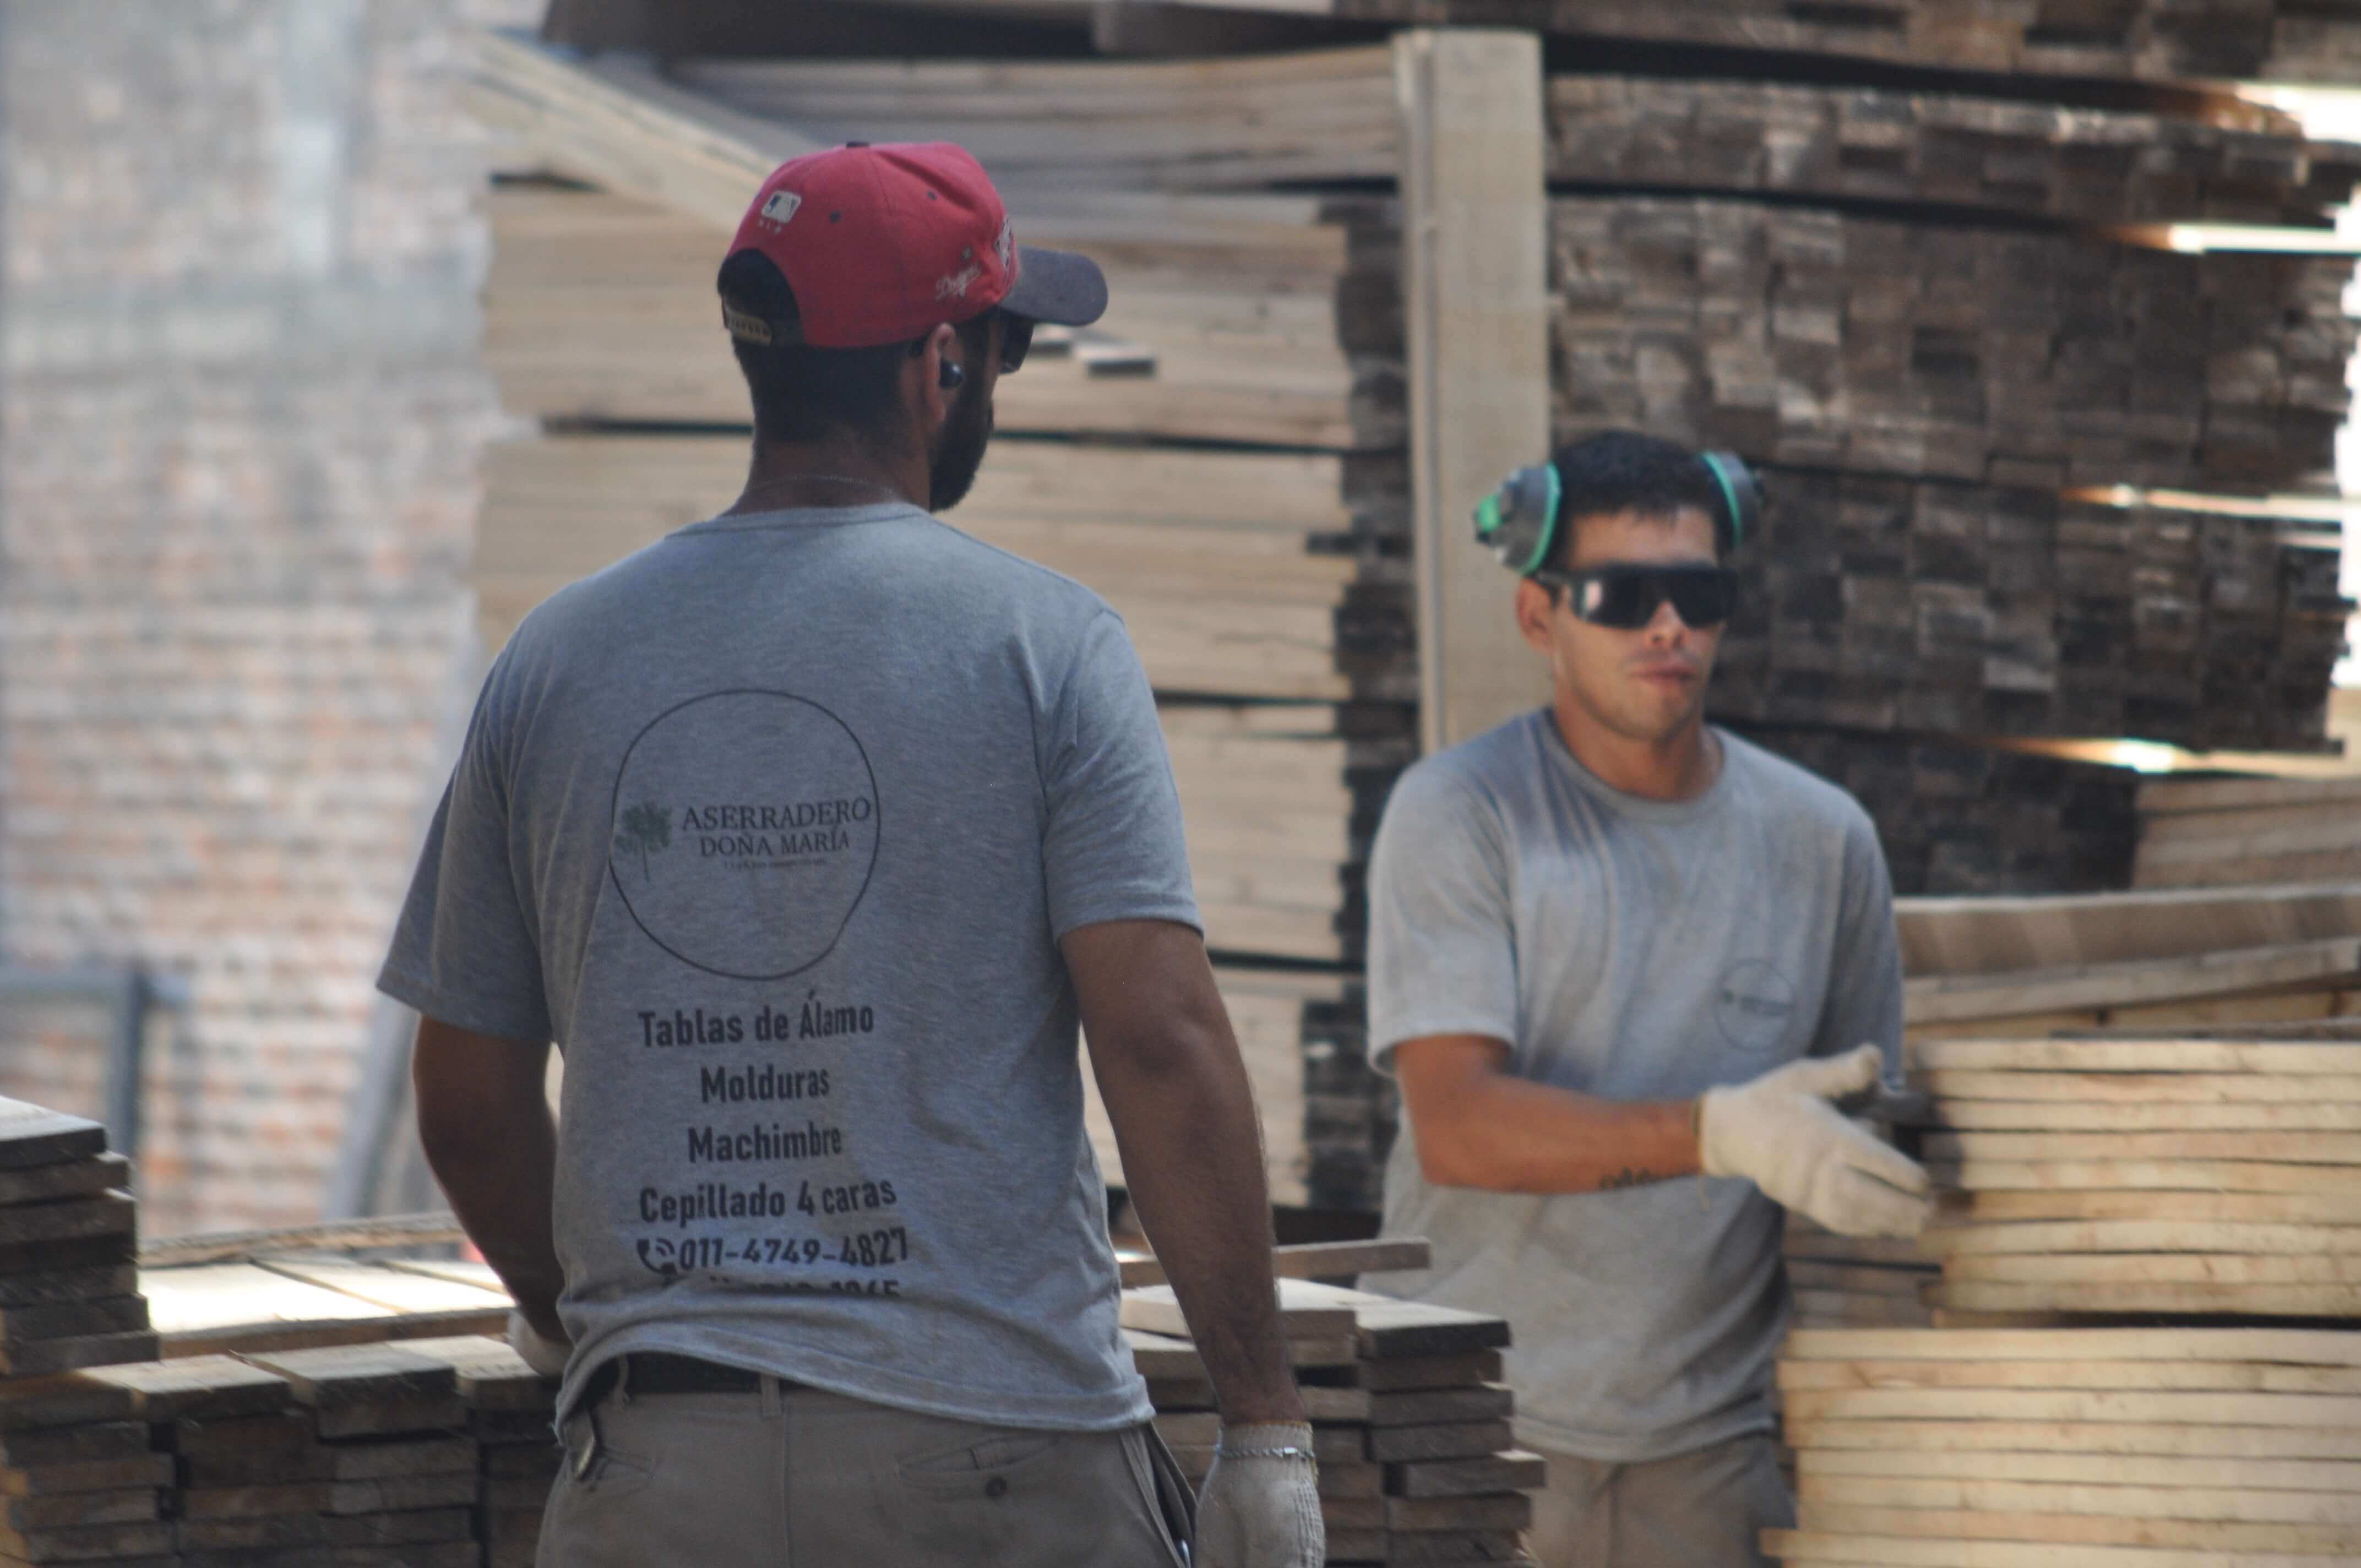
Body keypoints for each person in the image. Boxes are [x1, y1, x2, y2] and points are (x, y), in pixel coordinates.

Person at [379, 142, 1321, 1567]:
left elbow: (462, 1101)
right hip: (992, 1465)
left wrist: (601, 1332)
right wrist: (1263, 1429)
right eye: (1003, 351)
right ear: (939, 366)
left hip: (654, 1482)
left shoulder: (554, 664)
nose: (996, 385)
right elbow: (1163, 1043)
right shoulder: (1045, 647)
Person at [1359, 430, 1933, 1567]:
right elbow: (1458, 1123)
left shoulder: (1822, 843)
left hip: (1710, 1461)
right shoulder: (1460, 813)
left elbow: (1866, 1137)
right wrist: (1717, 1130)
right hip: (1477, 1433)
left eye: (1696, 592)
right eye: (1622, 595)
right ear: (1540, 617)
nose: (1665, 627)